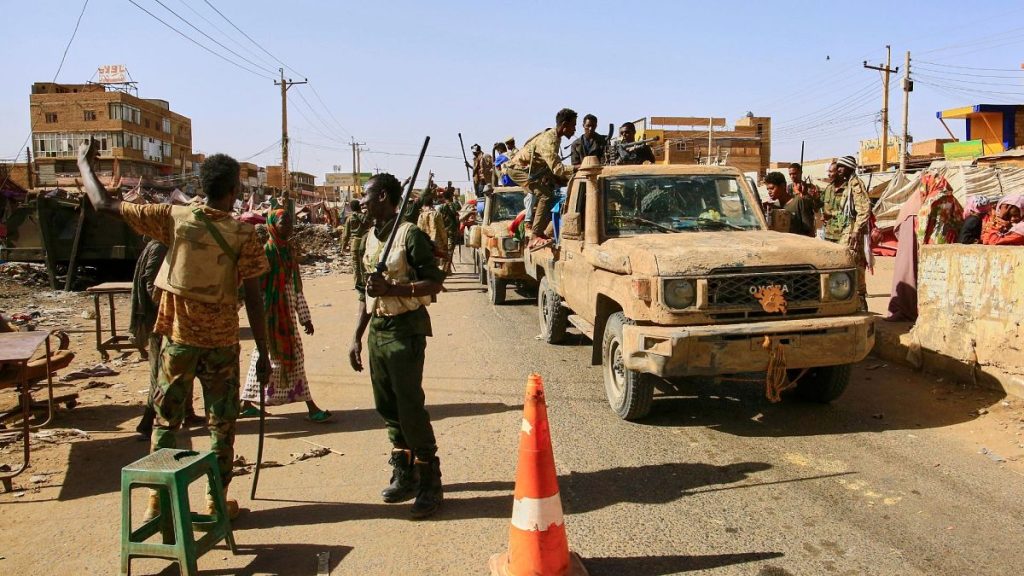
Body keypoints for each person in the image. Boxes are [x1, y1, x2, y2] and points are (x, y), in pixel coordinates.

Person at [77, 140, 270, 521]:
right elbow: (255, 297)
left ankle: (157, 502)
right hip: (220, 346)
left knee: (166, 423)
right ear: (233, 191)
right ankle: (217, 503)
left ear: (202, 184)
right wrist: (264, 352)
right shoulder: (243, 234)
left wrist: (85, 164)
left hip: (177, 342)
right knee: (221, 425)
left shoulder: (173, 217)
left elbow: (103, 205)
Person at [348, 173, 446, 519]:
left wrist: (394, 290)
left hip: (406, 330)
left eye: (368, 196)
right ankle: (405, 470)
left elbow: (435, 281)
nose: (363, 201)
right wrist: (357, 337)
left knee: (409, 407)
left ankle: (431, 482)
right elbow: (364, 292)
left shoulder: (409, 234)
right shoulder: (367, 239)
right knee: (387, 406)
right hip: (378, 329)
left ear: (385, 196)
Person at [240, 209, 331, 422]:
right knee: (285, 357)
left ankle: (246, 402)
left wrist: (304, 316)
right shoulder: (268, 252)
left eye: (289, 221)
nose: (288, 225)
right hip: (272, 317)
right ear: (273, 224)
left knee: (275, 358)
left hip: (287, 315)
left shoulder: (288, 251)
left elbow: (296, 287)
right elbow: (259, 289)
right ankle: (311, 407)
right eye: (283, 221)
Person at [130, 239, 205, 440]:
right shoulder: (159, 247)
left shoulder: (169, 244)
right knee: (160, 373)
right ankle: (147, 424)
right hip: (161, 322)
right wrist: (173, 308)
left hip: (172, 321)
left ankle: (187, 413)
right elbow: (151, 285)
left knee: (185, 366)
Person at [505, 108, 577, 250]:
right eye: (573, 126)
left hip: (535, 170)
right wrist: (578, 168)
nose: (574, 130)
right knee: (545, 195)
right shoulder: (549, 140)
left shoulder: (555, 138)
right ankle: (535, 235)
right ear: (564, 125)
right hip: (518, 170)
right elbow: (558, 169)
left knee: (555, 188)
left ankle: (541, 231)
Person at [821, 155, 871, 306]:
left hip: (851, 231)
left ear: (849, 168)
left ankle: (860, 300)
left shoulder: (855, 184)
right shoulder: (847, 184)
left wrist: (856, 231)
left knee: (853, 263)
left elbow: (864, 209)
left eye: (842, 167)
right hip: (842, 230)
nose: (839, 170)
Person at [763, 171, 816, 236]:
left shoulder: (799, 202)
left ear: (783, 186)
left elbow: (810, 232)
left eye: (772, 188)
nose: (769, 192)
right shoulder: (775, 206)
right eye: (768, 189)